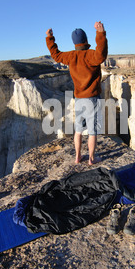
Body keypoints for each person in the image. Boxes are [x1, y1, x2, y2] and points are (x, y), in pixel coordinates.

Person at [46, 21, 108, 165]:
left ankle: (77, 157)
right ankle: (92, 159)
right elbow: (101, 53)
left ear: (74, 43)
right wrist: (100, 33)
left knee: (78, 130)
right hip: (92, 98)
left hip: (79, 98)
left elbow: (56, 55)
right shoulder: (91, 55)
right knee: (92, 131)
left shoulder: (70, 56)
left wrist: (50, 39)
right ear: (86, 40)